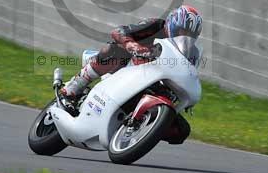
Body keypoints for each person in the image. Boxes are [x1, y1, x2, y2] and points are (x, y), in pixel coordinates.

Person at [61, 5, 203, 101]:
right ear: (172, 23)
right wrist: (131, 44)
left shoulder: (193, 53)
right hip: (129, 65)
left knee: (181, 131)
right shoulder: (155, 25)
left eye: (190, 35)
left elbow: (188, 75)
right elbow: (118, 31)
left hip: (158, 80)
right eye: (181, 31)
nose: (184, 37)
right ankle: (79, 82)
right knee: (114, 49)